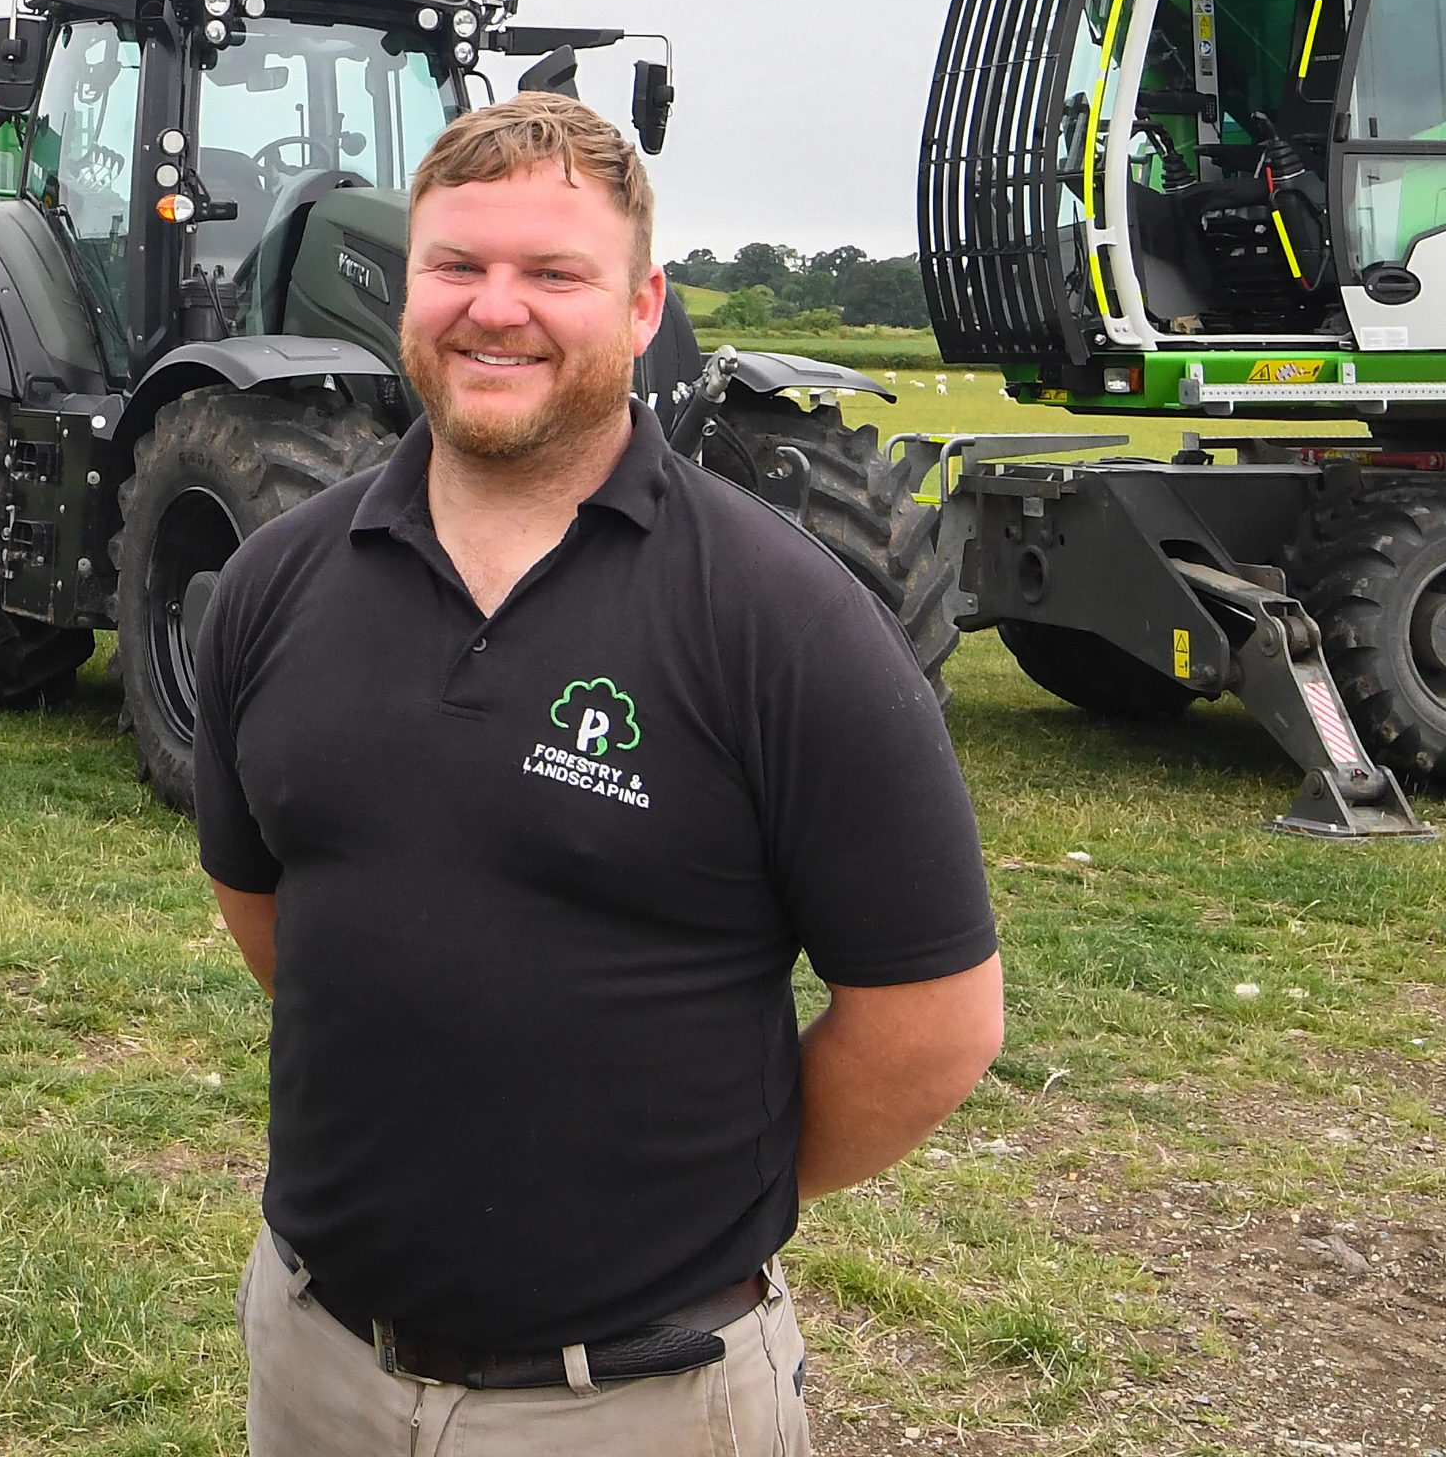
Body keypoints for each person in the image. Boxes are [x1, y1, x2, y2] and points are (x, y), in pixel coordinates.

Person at [189, 96, 1005, 1454]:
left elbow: (931, 1023)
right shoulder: (277, 584)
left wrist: (700, 1200)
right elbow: (273, 913)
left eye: (552, 274)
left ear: (639, 310)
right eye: (456, 266)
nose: (492, 309)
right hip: (319, 1369)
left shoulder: (780, 620)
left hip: (640, 1397)